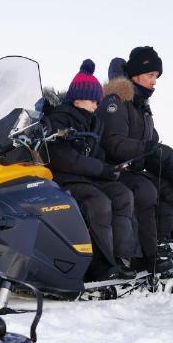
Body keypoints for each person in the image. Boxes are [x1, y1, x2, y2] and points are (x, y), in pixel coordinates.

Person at [44, 60, 137, 281]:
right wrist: (102, 169)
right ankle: (100, 265)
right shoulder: (60, 119)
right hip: (64, 179)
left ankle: (121, 258)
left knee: (123, 194)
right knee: (99, 203)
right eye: (93, 100)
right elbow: (64, 159)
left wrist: (112, 168)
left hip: (87, 178)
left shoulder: (93, 123)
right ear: (78, 99)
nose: (97, 104)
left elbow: (96, 156)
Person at [98, 47, 173, 273]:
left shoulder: (143, 107)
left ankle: (160, 243)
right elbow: (113, 144)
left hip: (133, 169)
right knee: (146, 191)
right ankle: (143, 255)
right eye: (150, 75)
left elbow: (153, 141)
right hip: (113, 170)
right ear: (136, 74)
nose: (154, 82)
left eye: (156, 77)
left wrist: (166, 158)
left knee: (171, 189)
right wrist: (147, 148)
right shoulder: (116, 101)